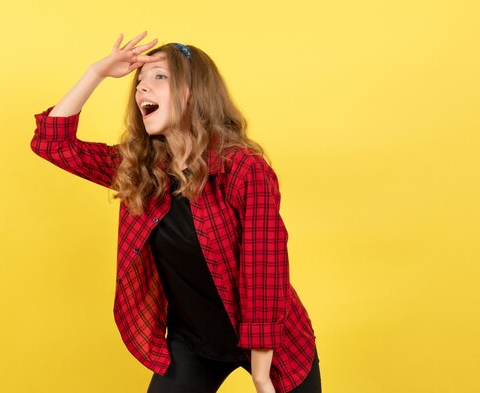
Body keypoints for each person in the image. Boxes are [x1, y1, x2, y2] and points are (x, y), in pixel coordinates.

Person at [30, 31, 321, 393]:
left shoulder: (244, 169)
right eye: (139, 83)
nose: (141, 90)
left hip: (271, 342)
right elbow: (52, 144)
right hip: (193, 344)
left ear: (193, 93)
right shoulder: (141, 168)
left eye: (159, 77)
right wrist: (97, 73)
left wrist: (262, 374)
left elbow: (264, 270)